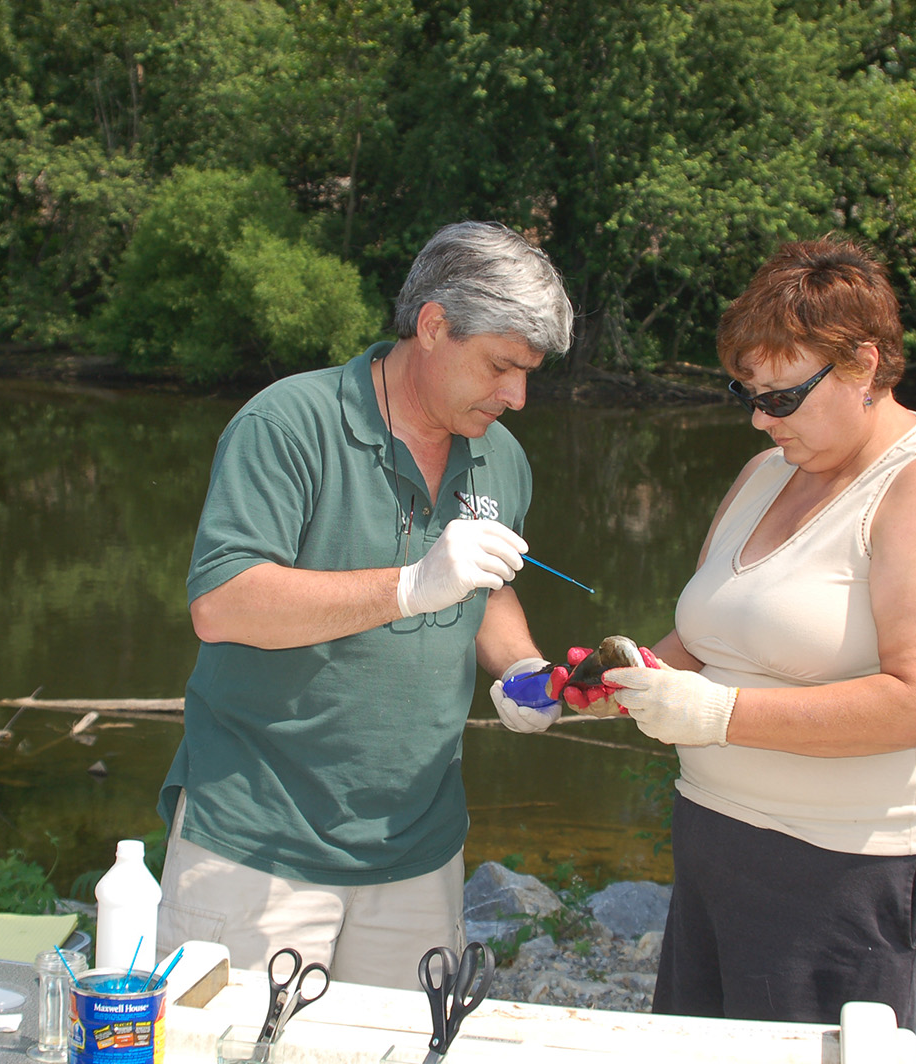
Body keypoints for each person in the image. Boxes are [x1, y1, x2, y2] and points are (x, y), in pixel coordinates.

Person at [154, 221, 574, 990]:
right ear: (434, 326)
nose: (515, 396)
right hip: (258, 843)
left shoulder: (500, 456)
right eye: (500, 367)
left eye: (528, 374)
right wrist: (411, 584)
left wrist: (523, 668)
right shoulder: (288, 423)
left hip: (420, 851)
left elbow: (488, 583)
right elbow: (223, 603)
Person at [604, 238, 916, 1028]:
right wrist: (604, 682)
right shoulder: (766, 472)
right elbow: (709, 638)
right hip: (717, 837)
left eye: (781, 396)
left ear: (862, 365)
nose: (760, 418)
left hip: (846, 868)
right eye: (747, 392)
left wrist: (718, 716)